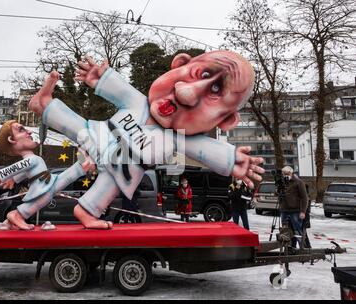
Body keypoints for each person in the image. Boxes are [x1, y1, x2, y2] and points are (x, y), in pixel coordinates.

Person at [29, 50, 265, 229]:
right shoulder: (137, 101)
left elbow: (207, 150)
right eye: (199, 75)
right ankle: (43, 104)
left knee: (107, 184)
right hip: (98, 135)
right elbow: (119, 87)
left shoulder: (178, 138)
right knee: (73, 123)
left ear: (224, 121)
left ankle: (88, 211)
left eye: (213, 95)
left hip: (123, 168)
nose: (186, 93)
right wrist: (99, 77)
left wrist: (233, 160)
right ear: (179, 64)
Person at [0, 120, 97, 230]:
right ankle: (17, 214)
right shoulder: (31, 160)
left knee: (64, 179)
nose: (29, 132)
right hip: (43, 186)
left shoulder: (32, 159)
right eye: (21, 130)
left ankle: (8, 222)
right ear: (12, 139)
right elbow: (16, 167)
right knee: (47, 195)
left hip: (48, 181)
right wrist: (0, 175)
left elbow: (22, 171)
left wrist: (13, 179)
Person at [279, 166, 309, 248]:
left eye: (287, 173)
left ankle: (303, 248)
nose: (285, 175)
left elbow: (305, 197)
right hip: (284, 210)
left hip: (295, 210)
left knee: (297, 231)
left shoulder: (298, 182)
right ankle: (290, 248)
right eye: (284, 173)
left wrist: (303, 211)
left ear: (291, 173)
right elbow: (277, 194)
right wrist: (278, 191)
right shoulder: (282, 182)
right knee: (285, 231)